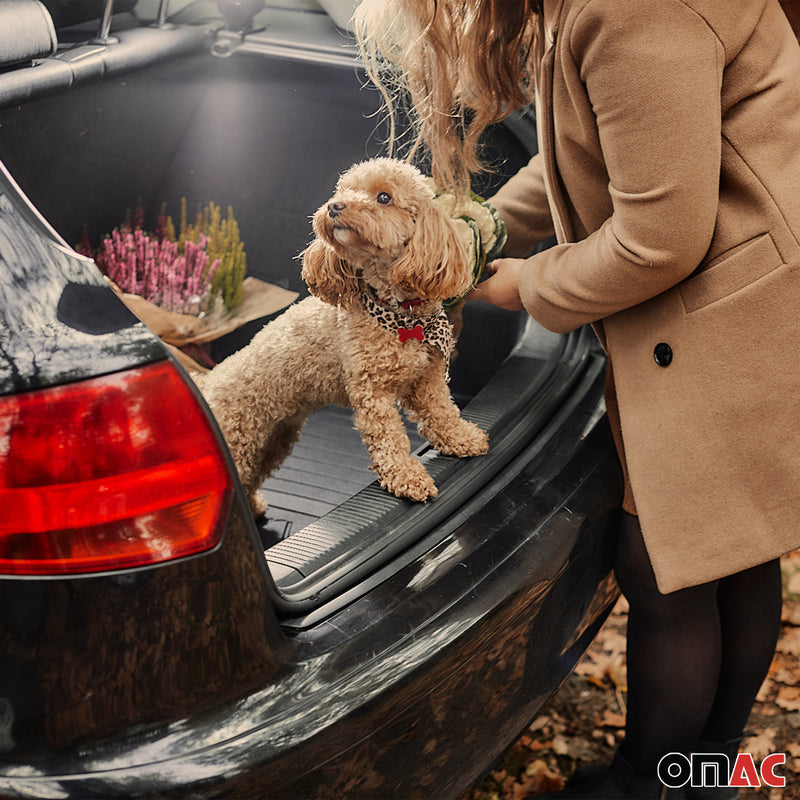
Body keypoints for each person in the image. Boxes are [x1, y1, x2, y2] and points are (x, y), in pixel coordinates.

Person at [355, 1, 800, 797]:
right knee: (733, 547)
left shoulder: (629, 11)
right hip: (743, 289)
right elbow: (585, 157)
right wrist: (487, 228)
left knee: (671, 566)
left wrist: (529, 282)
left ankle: (653, 783)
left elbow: (659, 238)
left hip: (736, 310)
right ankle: (707, 772)